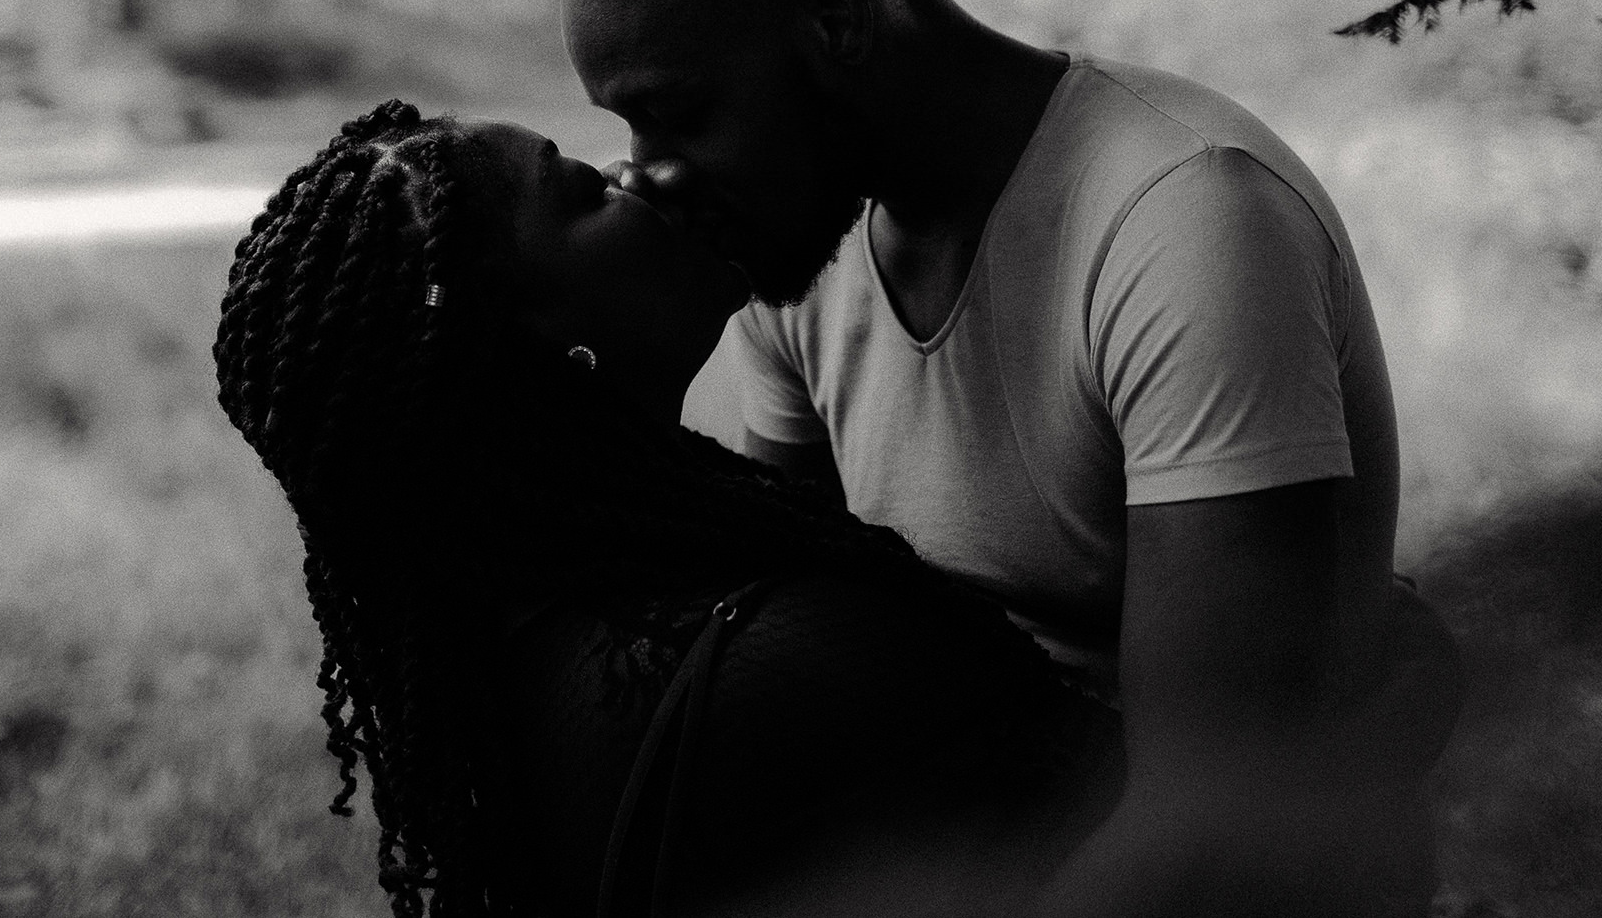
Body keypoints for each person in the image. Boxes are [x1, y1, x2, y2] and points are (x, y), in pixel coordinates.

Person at [564, 0, 1462, 917]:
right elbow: (782, 655)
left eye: (679, 113)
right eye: (628, 127)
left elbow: (1208, 825)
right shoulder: (795, 244)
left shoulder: (1182, 218)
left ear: (835, 16)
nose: (650, 172)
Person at [212, 102, 1119, 918]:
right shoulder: (785, 669)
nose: (632, 172)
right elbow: (1189, 819)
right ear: (543, 350)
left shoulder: (513, 667)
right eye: (580, 192)